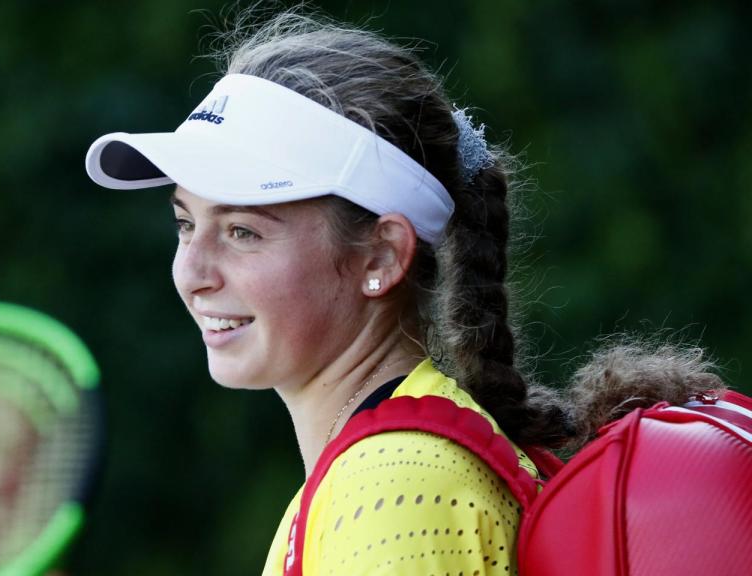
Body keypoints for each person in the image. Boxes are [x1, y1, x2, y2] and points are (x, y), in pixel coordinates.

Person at [84, 10, 577, 575]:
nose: (192, 272)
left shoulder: (393, 488)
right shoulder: (369, 472)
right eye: (186, 224)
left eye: (242, 232)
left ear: (382, 255)